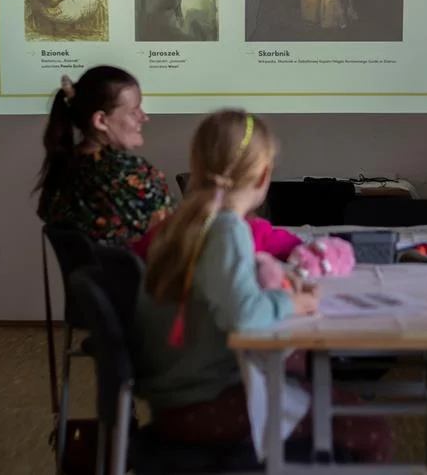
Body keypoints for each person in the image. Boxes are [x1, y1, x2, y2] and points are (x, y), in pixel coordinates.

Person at [133, 109, 395, 462]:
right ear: (264, 175)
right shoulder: (225, 228)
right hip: (205, 401)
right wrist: (292, 303)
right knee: (371, 428)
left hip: (173, 397)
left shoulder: (180, 223)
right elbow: (244, 315)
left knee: (300, 373)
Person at [35, 65, 171, 248]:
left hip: (95, 277)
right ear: (100, 120)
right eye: (134, 111)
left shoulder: (60, 169)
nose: (144, 117)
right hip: (146, 276)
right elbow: (178, 235)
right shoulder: (130, 175)